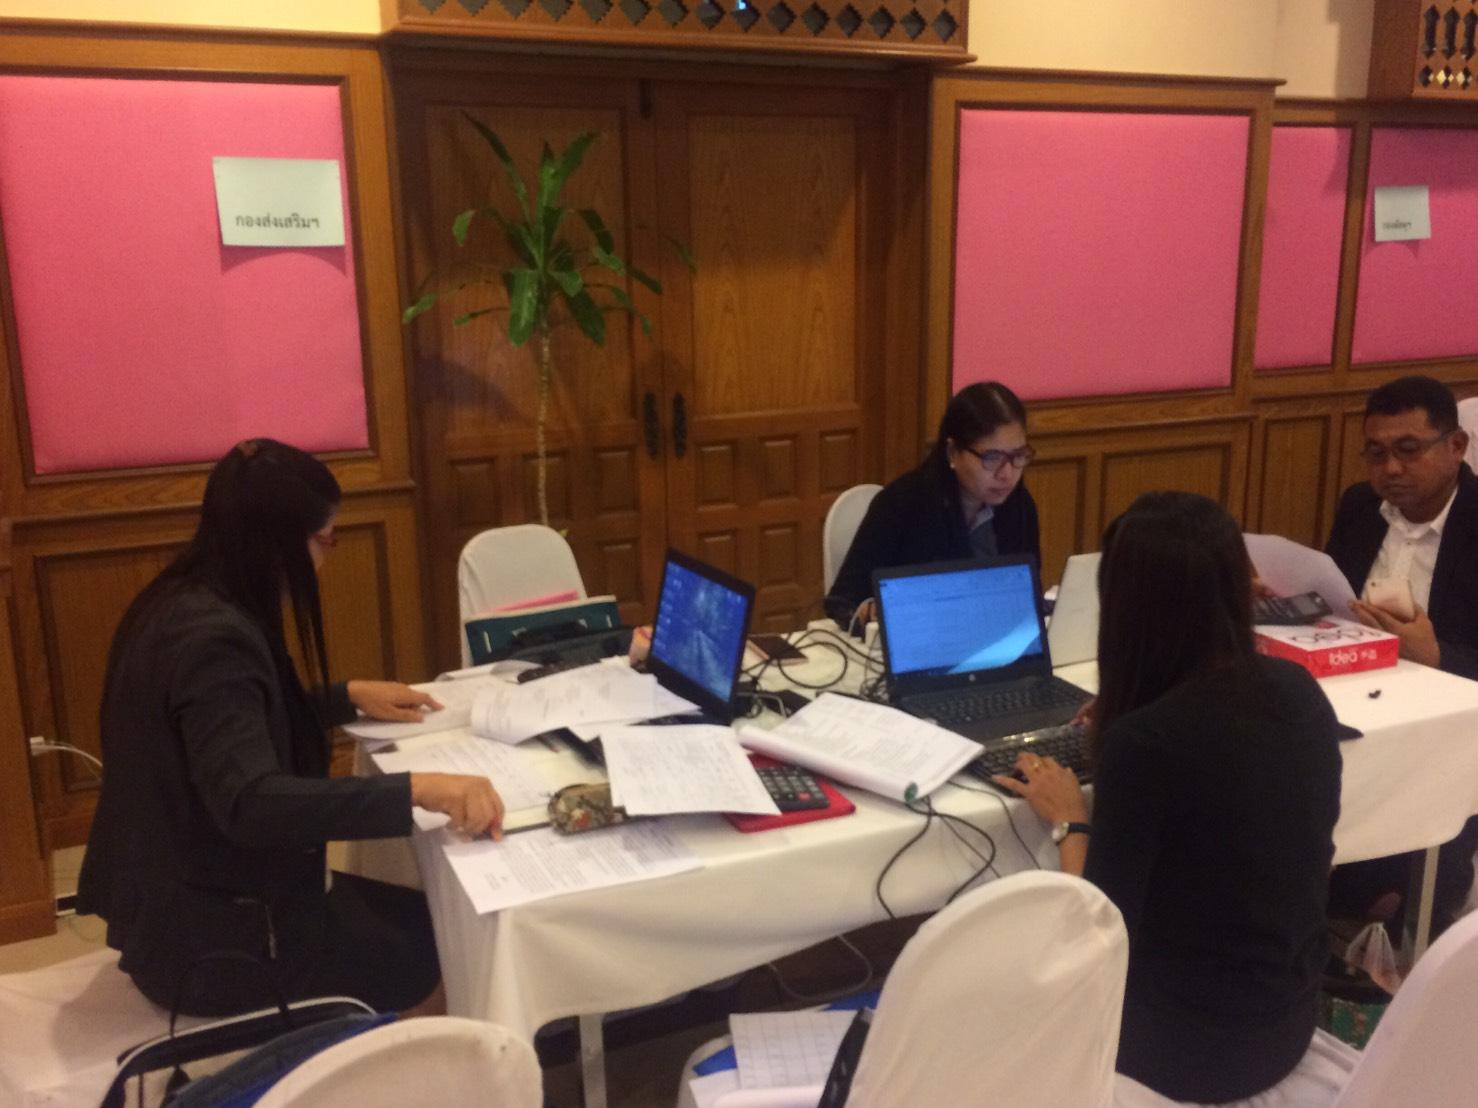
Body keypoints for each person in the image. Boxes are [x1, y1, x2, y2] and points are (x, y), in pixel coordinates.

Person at [78, 439, 504, 1017]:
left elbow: (230, 724)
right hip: (217, 944)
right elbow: (252, 802)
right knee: (450, 953)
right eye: (326, 539)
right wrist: (417, 790)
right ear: (278, 544)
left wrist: (344, 697)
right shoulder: (214, 642)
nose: (328, 555)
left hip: (191, 904)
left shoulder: (183, 599)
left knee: (435, 916)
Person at [994, 492, 1342, 1103]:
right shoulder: (1298, 689)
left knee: (1001, 980)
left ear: (1124, 605)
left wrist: (1071, 818)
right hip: (1286, 1022)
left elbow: (1101, 930)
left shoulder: (1146, 742)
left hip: (1180, 1052)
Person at [1325, 375, 1478, 933]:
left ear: (1456, 446)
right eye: (1376, 453)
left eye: (1409, 450)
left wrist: (1437, 656)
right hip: (1358, 697)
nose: (1390, 469)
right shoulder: (1361, 507)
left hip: (1451, 724)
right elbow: (1335, 597)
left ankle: (1411, 917)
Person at [826, 382, 1039, 627]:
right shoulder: (902, 502)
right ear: (952, 452)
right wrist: (871, 609)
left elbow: (1027, 592)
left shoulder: (1019, 505)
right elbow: (843, 601)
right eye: (992, 458)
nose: (1007, 473)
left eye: (1018, 456)